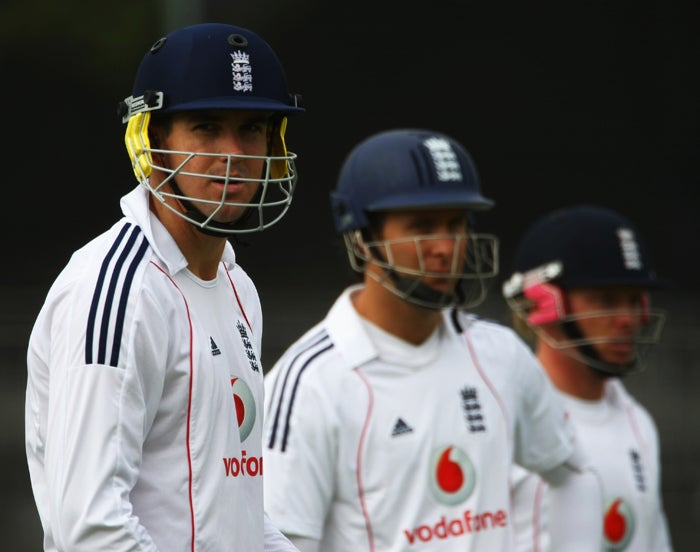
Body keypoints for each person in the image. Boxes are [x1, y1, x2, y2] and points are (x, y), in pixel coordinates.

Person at [25, 23, 304, 551]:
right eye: (206, 127)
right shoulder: (118, 291)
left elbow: (237, 508)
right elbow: (89, 526)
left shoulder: (237, 287)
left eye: (252, 129)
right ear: (149, 138)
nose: (234, 153)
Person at [261, 128, 603, 551]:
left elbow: (573, 473)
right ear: (362, 237)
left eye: (456, 224)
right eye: (422, 225)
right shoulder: (309, 382)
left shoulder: (500, 354)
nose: (445, 247)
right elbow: (281, 540)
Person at [502, 205, 674, 551]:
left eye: (633, 300)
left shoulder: (637, 422)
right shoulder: (504, 416)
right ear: (543, 303)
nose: (628, 319)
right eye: (606, 299)